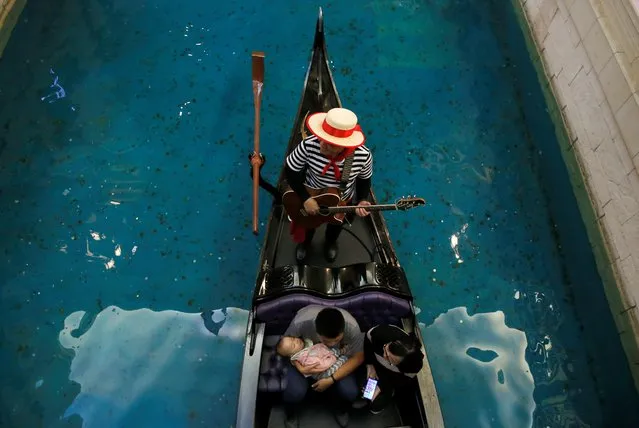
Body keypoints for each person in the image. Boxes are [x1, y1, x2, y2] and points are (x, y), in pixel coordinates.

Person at [285, 107, 374, 262]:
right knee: (308, 224)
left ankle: (330, 242)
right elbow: (291, 171)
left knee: (335, 226)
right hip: (311, 194)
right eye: (322, 139)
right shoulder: (309, 144)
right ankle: (306, 243)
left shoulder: (363, 156)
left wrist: (361, 200)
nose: (322, 146)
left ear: (345, 144)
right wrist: (305, 198)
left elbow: (364, 180)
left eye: (331, 144)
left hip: (341, 199)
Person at [280, 305, 365, 428]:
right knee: (294, 392)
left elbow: (358, 357)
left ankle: (340, 409)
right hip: (305, 357)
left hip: (336, 359)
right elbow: (286, 347)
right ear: (317, 332)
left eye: (336, 340)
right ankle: (290, 414)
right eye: (326, 341)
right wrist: (299, 367)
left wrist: (332, 379)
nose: (331, 344)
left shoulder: (352, 327)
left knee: (350, 392)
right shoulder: (301, 322)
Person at [363, 324, 424, 414]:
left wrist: (381, 386)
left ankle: (390, 393)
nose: (384, 355)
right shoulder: (379, 333)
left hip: (390, 378)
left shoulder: (413, 365)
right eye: (385, 349)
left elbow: (402, 380)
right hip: (374, 365)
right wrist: (369, 365)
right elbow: (367, 341)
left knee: (375, 405)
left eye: (390, 359)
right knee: (362, 390)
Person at [276, 336, 348, 380]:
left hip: (324, 354)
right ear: (292, 354)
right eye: (294, 345)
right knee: (338, 363)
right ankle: (344, 357)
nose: (296, 341)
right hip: (323, 370)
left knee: (334, 350)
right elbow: (321, 365)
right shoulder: (304, 359)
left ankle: (341, 351)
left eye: (293, 338)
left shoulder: (303, 346)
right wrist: (333, 358)